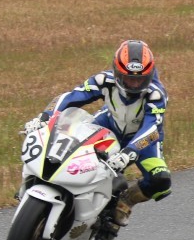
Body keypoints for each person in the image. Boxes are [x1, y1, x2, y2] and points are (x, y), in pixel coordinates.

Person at [23, 40, 171, 227]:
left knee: (160, 180)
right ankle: (52, 186)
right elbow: (71, 97)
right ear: (117, 73)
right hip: (107, 125)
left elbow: (151, 128)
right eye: (128, 78)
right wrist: (45, 117)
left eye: (140, 79)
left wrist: (129, 152)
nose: (134, 84)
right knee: (72, 150)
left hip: (144, 140)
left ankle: (126, 200)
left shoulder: (156, 95)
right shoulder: (104, 80)